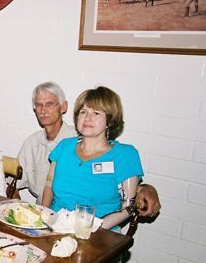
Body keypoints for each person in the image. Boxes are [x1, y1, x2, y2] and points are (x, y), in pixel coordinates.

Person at [41, 86, 143, 263]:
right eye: (83, 112)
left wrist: (93, 225)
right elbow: (48, 184)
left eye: (96, 113)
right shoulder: (64, 147)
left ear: (111, 120)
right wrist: (43, 214)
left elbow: (128, 207)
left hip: (101, 236)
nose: (87, 118)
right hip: (56, 227)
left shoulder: (125, 155)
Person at [17, 82, 161, 217]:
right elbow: (25, 184)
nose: (43, 110)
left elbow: (123, 188)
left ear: (63, 107)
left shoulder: (92, 137)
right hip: (52, 219)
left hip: (97, 229)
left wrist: (146, 188)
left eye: (49, 104)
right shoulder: (44, 144)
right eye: (83, 112)